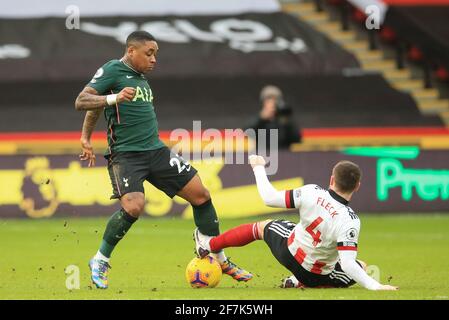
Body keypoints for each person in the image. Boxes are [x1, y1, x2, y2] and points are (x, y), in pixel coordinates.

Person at [74, 31, 252, 289]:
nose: (154, 59)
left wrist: (86, 136)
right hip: (126, 154)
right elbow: (82, 100)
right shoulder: (113, 69)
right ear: (131, 51)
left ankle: (218, 256)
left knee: (201, 195)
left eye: (156, 53)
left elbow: (98, 107)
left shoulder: (141, 79)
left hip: (156, 151)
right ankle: (100, 259)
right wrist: (109, 103)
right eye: (149, 53)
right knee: (134, 207)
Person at [194, 155, 399, 290]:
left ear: (332, 180)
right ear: (358, 187)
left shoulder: (312, 191)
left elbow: (269, 198)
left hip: (288, 252)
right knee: (360, 265)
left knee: (261, 227)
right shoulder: (351, 220)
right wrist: (375, 286)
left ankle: (209, 245)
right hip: (316, 275)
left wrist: (258, 167)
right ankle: (300, 282)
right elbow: (347, 264)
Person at [245, 85, 301, 150]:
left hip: (284, 155)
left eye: (275, 99)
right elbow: (247, 133)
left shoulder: (284, 119)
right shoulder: (259, 119)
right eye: (268, 99)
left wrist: (286, 120)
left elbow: (297, 138)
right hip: (263, 155)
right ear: (263, 102)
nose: (272, 103)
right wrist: (261, 118)